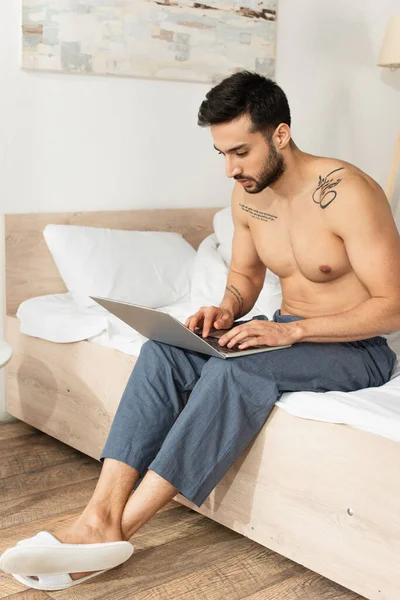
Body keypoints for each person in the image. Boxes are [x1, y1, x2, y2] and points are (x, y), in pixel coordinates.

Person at [1, 71, 399, 591]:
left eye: (241, 151)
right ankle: (97, 517)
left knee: (239, 374)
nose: (231, 169)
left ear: (280, 134)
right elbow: (246, 277)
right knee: (164, 351)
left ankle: (118, 535)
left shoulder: (350, 192)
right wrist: (226, 309)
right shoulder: (248, 196)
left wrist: (293, 335)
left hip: (353, 347)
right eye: (222, 155)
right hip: (281, 333)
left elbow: (393, 306)